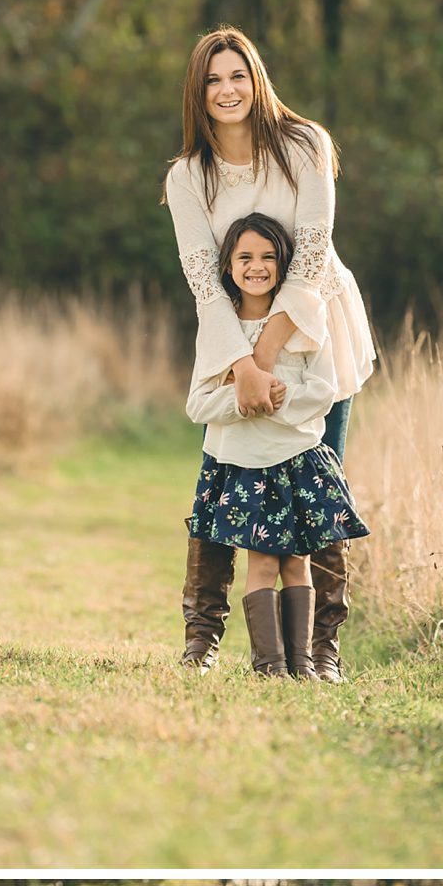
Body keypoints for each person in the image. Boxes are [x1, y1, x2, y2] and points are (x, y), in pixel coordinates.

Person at [164, 25, 376, 679]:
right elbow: (203, 278)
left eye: (237, 75)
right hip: (230, 338)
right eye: (212, 80)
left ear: (257, 79)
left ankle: (320, 652)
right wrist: (243, 366)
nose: (227, 90)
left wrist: (270, 358)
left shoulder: (305, 145)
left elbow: (310, 258)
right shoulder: (187, 177)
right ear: (197, 95)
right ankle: (202, 639)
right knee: (223, 483)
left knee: (319, 486)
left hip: (316, 333)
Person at [186, 212, 370, 678]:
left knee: (299, 561)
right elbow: (198, 405)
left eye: (269, 257)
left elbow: (324, 388)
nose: (257, 266)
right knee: (263, 562)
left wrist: (279, 401)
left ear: (285, 264)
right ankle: (268, 664)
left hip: (298, 461)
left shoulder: (306, 325)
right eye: (245, 257)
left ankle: (305, 662)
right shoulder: (219, 331)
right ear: (227, 266)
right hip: (245, 466)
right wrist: (243, 400)